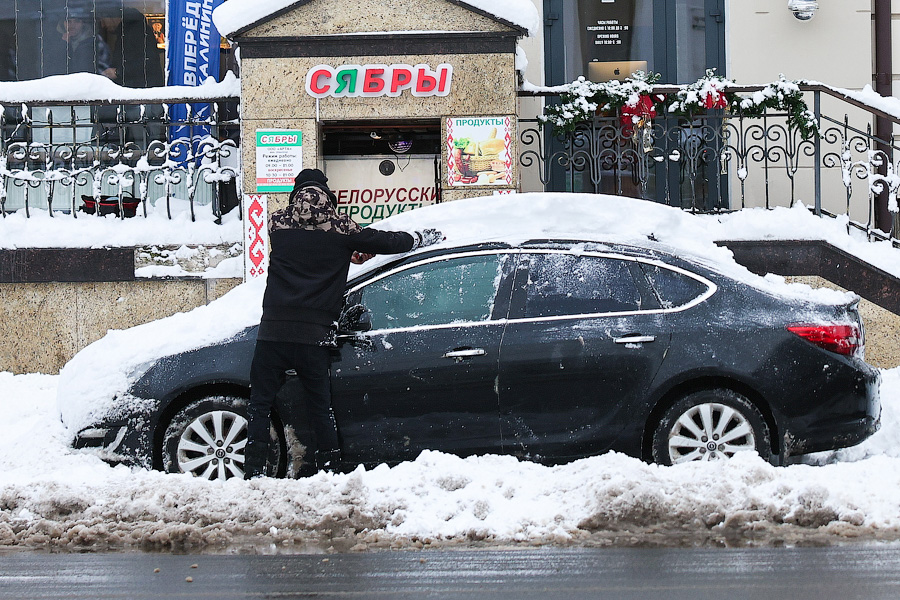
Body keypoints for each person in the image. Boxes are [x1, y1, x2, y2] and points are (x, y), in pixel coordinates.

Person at [244, 168, 442, 479]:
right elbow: (385, 242)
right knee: (320, 408)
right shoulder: (341, 229)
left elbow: (303, 250)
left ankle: (253, 471)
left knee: (259, 404)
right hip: (315, 337)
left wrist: (343, 252)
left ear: (295, 194)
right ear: (328, 195)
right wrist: (420, 238)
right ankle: (329, 471)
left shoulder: (277, 224)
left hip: (273, 332)